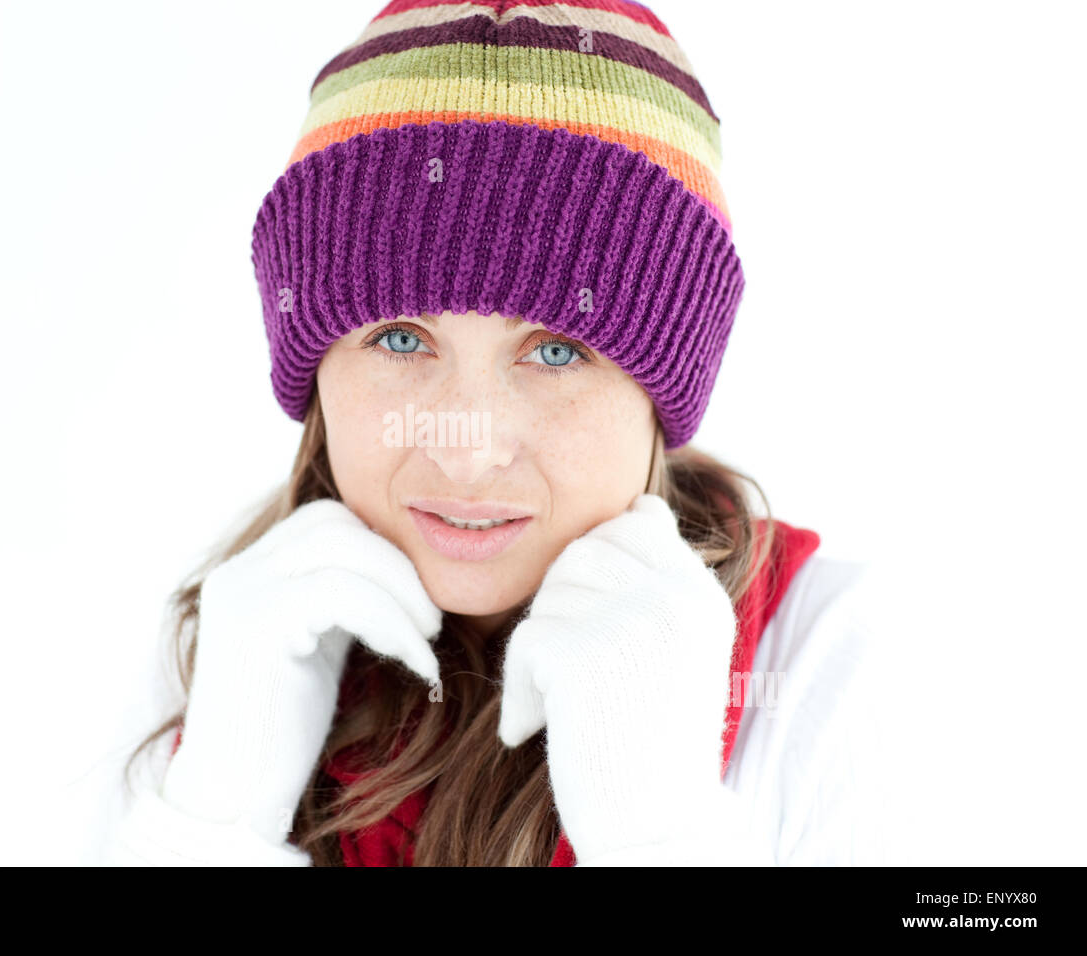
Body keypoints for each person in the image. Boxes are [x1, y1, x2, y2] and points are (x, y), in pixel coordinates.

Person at [104, 0, 891, 867]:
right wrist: (215, 822)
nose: (467, 447)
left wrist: (659, 839)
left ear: (664, 383)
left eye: (555, 351)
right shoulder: (225, 649)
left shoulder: (837, 669)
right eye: (400, 338)